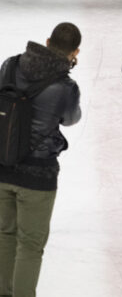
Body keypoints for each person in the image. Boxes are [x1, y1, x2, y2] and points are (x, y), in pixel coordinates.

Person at [0, 21, 81, 297]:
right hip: (38, 176)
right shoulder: (65, 86)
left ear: (47, 42)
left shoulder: (10, 66)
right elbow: (71, 118)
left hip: (3, 165)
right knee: (31, 246)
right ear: (75, 52)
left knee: (4, 235)